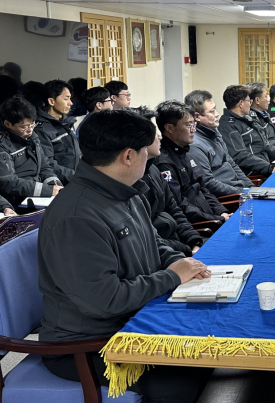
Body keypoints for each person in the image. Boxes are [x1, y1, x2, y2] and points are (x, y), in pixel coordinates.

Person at [38, 109, 213, 403]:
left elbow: (153, 243)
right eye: (146, 151)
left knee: (207, 347)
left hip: (132, 321)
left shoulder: (124, 192)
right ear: (128, 156)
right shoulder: (77, 216)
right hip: (87, 344)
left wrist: (177, 262)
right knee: (181, 380)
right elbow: (103, 300)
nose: (150, 157)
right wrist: (172, 277)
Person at [129, 106, 204, 257]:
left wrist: (194, 240)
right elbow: (149, 239)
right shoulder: (131, 180)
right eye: (154, 132)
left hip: (180, 246)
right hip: (166, 255)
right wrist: (188, 250)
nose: (160, 136)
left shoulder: (153, 170)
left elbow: (174, 210)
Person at [154, 101, 231, 224]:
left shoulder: (188, 153)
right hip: (199, 225)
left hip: (211, 217)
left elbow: (204, 189)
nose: (194, 130)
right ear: (169, 128)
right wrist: (217, 219)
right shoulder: (164, 163)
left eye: (194, 124)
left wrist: (221, 212)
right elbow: (180, 206)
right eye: (188, 125)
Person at [184, 90, 254, 197]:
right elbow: (208, 183)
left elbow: (231, 163)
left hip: (238, 189)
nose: (217, 114)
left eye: (215, 109)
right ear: (197, 117)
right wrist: (243, 192)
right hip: (227, 197)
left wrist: (251, 187)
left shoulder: (214, 131)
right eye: (212, 112)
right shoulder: (194, 144)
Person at [0, 97, 62, 208]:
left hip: (38, 197)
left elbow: (44, 166)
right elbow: (8, 182)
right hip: (16, 203)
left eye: (32, 124)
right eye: (24, 127)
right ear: (7, 124)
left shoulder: (32, 137)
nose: (30, 130)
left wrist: (54, 184)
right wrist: (47, 190)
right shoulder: (2, 146)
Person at [218, 85, 275, 177]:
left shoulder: (245, 119)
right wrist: (269, 168)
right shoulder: (228, 126)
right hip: (253, 174)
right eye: (249, 101)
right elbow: (240, 156)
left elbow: (264, 144)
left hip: (264, 166)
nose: (250, 104)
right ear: (241, 103)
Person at [33, 79, 81, 185]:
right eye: (66, 99)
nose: (70, 103)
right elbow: (48, 164)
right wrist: (77, 176)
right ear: (51, 101)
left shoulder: (67, 122)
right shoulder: (41, 129)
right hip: (61, 184)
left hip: (76, 179)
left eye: (70, 98)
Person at [247, 82, 275, 158]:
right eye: (266, 96)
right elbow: (266, 146)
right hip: (271, 158)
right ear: (257, 100)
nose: (269, 99)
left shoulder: (265, 114)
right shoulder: (251, 119)